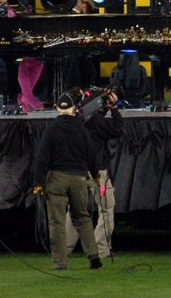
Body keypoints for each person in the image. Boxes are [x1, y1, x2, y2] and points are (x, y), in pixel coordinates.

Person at [32, 88, 103, 271]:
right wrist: (95, 175)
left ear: (57, 108)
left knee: (57, 222)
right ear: (73, 108)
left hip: (56, 178)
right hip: (79, 178)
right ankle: (93, 256)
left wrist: (39, 182)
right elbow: (91, 156)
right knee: (82, 218)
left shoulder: (51, 129)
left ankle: (60, 262)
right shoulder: (81, 130)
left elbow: (42, 157)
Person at [65, 87, 124, 259]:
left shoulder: (72, 120)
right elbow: (118, 129)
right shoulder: (97, 122)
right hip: (97, 172)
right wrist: (114, 109)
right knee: (105, 209)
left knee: (74, 210)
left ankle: (64, 249)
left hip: (76, 171)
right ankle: (101, 249)